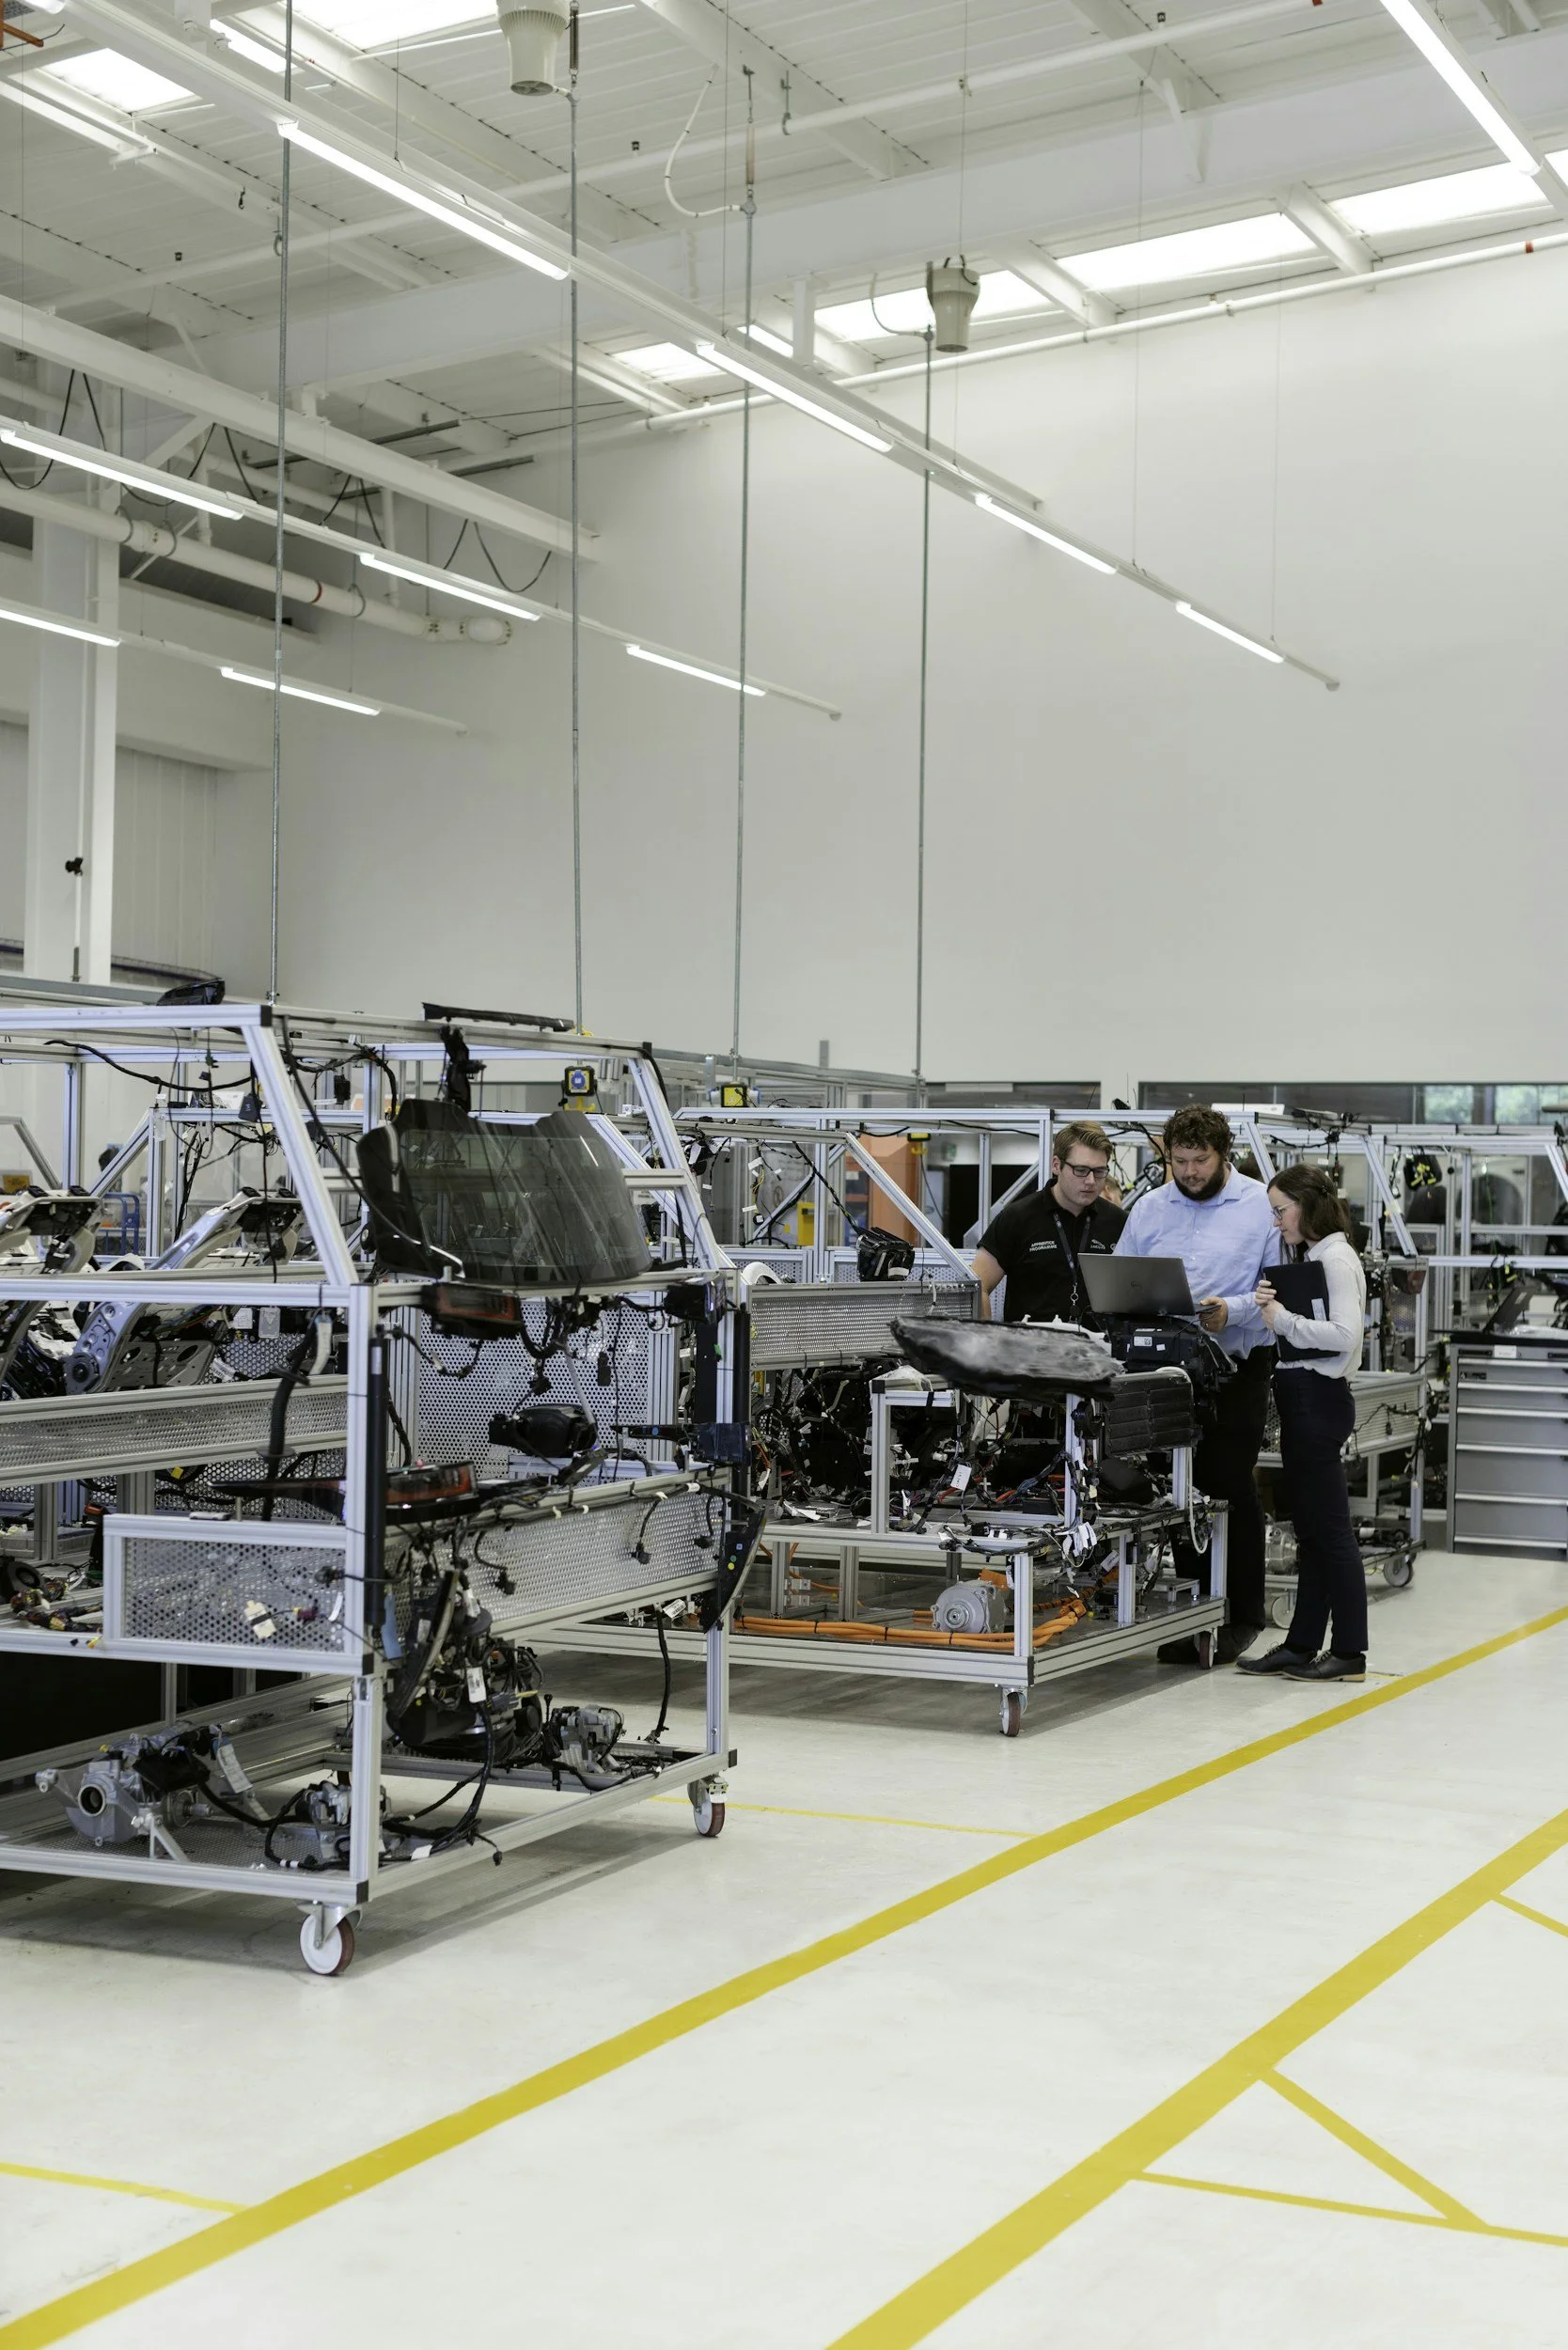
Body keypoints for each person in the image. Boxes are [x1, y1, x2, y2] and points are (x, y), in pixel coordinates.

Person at [1116, 1105, 1278, 1663]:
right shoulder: (1150, 1209)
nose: (1189, 1172)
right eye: (1179, 1161)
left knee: (1226, 1483)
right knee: (1181, 1492)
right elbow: (1120, 1279)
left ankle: (1242, 1614)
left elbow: (1277, 1289)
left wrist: (1229, 1312)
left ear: (1222, 1153)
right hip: (1169, 1373)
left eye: (1200, 1161)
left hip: (1238, 1367)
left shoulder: (1260, 1205)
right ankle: (1195, 1613)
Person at [1239, 1165, 1370, 1683]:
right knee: (1313, 1532)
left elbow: (1345, 1336)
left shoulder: (1336, 1259)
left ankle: (1351, 1653)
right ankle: (1301, 1644)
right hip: (1302, 1396)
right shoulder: (1313, 1257)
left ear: (1308, 1204)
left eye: (1280, 1210)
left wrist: (1283, 1321)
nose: (1277, 1222)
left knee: (1331, 1532)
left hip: (1319, 1398)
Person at [973, 1121, 1126, 1324]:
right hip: (1030, 1350)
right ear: (1056, 1165)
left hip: (1099, 1349)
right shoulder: (1017, 1218)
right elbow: (978, 1285)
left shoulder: (1118, 1222)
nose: (1090, 1181)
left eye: (1099, 1172)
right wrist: (986, 1342)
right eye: (1081, 1170)